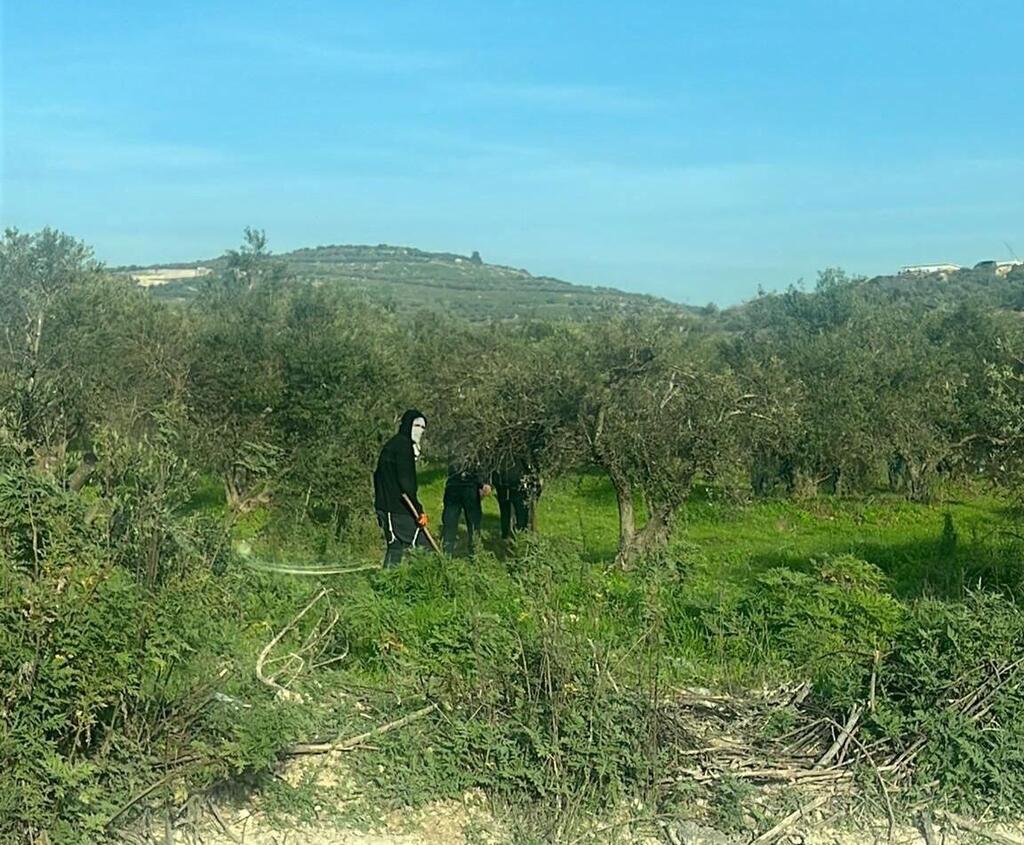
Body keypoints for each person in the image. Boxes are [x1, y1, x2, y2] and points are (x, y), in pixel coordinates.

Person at [373, 409, 432, 567]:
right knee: (424, 547)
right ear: (407, 425)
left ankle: (389, 585)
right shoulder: (402, 447)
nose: (420, 430)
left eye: (423, 427)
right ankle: (429, 582)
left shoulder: (394, 445)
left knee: (396, 547)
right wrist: (420, 511)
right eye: (417, 425)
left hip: (390, 507)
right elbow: (406, 484)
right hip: (396, 509)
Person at [441, 460, 491, 556]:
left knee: (452, 522)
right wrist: (482, 483)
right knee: (469, 522)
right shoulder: (472, 450)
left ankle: (448, 552)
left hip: (455, 486)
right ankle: (473, 552)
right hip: (466, 487)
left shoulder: (454, 448)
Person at [492, 457, 538, 540]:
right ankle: (509, 537)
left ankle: (519, 537)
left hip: (515, 485)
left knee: (518, 513)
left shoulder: (506, 451)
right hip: (508, 485)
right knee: (508, 513)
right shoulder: (505, 451)